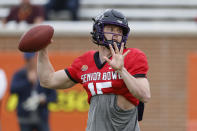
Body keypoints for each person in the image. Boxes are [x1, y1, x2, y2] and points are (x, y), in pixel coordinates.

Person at [37, 9, 151, 131]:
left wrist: (122, 70)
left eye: (119, 31)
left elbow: (145, 95)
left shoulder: (132, 55)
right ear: (98, 30)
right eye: (111, 30)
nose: (116, 35)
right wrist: (42, 49)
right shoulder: (85, 61)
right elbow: (47, 80)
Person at [10, 53, 57, 131]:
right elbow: (12, 89)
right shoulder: (20, 74)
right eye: (27, 60)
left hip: (41, 117)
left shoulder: (44, 74)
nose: (30, 62)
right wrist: (27, 81)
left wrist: (44, 100)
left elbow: (53, 96)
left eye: (31, 60)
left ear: (36, 59)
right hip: (24, 118)